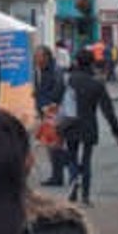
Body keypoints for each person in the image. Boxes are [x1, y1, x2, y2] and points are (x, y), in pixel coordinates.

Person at [62, 49, 118, 204]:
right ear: (92, 63)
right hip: (89, 125)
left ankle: (74, 181)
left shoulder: (69, 80)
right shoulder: (97, 83)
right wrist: (117, 132)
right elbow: (108, 110)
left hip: (70, 124)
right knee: (87, 160)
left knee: (72, 156)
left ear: (77, 62)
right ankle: (86, 196)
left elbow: (59, 100)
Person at [33, 43, 69, 186]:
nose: (36, 59)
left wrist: (49, 103)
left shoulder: (55, 70)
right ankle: (57, 174)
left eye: (38, 56)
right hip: (44, 110)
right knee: (50, 143)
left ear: (46, 57)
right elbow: (40, 88)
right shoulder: (38, 69)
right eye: (35, 56)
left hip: (53, 111)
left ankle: (66, 166)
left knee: (54, 143)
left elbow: (59, 88)